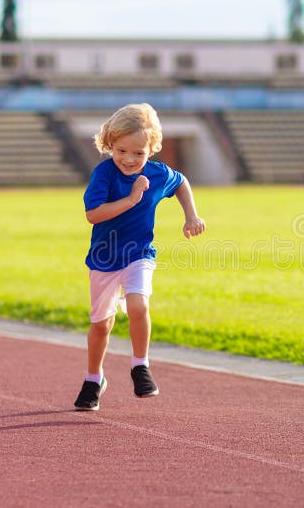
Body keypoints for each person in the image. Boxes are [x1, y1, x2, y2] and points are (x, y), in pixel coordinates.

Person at [74, 103, 205, 411]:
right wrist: (133, 199)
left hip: (139, 254)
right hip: (104, 259)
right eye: (121, 151)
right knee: (101, 326)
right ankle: (94, 379)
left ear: (152, 150)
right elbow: (93, 215)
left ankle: (140, 366)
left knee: (138, 303)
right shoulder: (104, 174)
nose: (129, 160)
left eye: (139, 154)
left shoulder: (158, 175)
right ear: (109, 144)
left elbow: (182, 182)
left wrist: (191, 216)